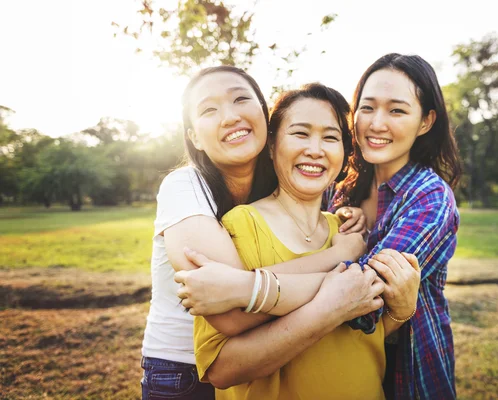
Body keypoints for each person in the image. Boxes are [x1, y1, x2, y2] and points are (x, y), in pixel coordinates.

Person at [140, 66, 371, 400]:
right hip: (183, 372)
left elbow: (241, 290)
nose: (230, 116)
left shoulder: (278, 188)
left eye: (240, 99)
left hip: (266, 356)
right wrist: (342, 265)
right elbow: (233, 312)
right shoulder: (185, 187)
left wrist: (345, 213)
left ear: (265, 115)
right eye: (209, 109)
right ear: (193, 136)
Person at [180, 83, 421, 400]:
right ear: (271, 145)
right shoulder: (240, 225)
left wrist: (400, 312)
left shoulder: (351, 231)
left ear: (345, 152)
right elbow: (221, 369)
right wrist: (329, 307)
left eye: (331, 137)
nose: (316, 149)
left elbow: (358, 334)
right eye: (300, 133)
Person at [328, 53, 462, 399]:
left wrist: (253, 288)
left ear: (426, 121)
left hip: (406, 376)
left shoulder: (430, 198)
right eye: (367, 107)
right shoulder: (340, 189)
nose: (376, 123)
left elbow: (361, 301)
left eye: (397, 110)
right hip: (335, 372)